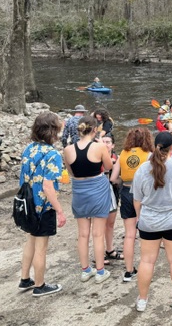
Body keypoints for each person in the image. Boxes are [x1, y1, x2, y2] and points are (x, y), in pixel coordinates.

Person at [131, 131, 172, 314]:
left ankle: (142, 301)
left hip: (149, 222)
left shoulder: (142, 170)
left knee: (146, 261)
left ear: (154, 147)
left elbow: (137, 200)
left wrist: (139, 217)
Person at [18, 111, 67, 297]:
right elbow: (48, 186)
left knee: (30, 240)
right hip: (42, 207)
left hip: (27, 205)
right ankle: (40, 285)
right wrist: (60, 211)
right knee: (41, 248)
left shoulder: (28, 149)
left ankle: (25, 279)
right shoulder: (52, 154)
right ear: (52, 131)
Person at [63, 116, 113, 284]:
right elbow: (109, 167)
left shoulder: (68, 149)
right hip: (98, 189)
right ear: (94, 130)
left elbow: (71, 172)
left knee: (83, 234)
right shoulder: (99, 147)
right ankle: (100, 271)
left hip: (79, 191)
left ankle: (85, 270)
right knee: (98, 234)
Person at [110, 127, 154, 283]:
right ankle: (146, 266)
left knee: (129, 234)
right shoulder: (149, 155)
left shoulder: (122, 155)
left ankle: (129, 271)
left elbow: (114, 178)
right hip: (144, 196)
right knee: (145, 233)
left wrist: (123, 182)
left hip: (127, 193)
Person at [101, 133, 123, 265]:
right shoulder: (94, 157)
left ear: (113, 145)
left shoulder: (118, 157)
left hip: (113, 192)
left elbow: (119, 178)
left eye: (108, 142)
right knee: (98, 224)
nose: (105, 144)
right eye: (103, 141)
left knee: (110, 223)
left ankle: (109, 250)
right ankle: (99, 253)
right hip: (99, 192)